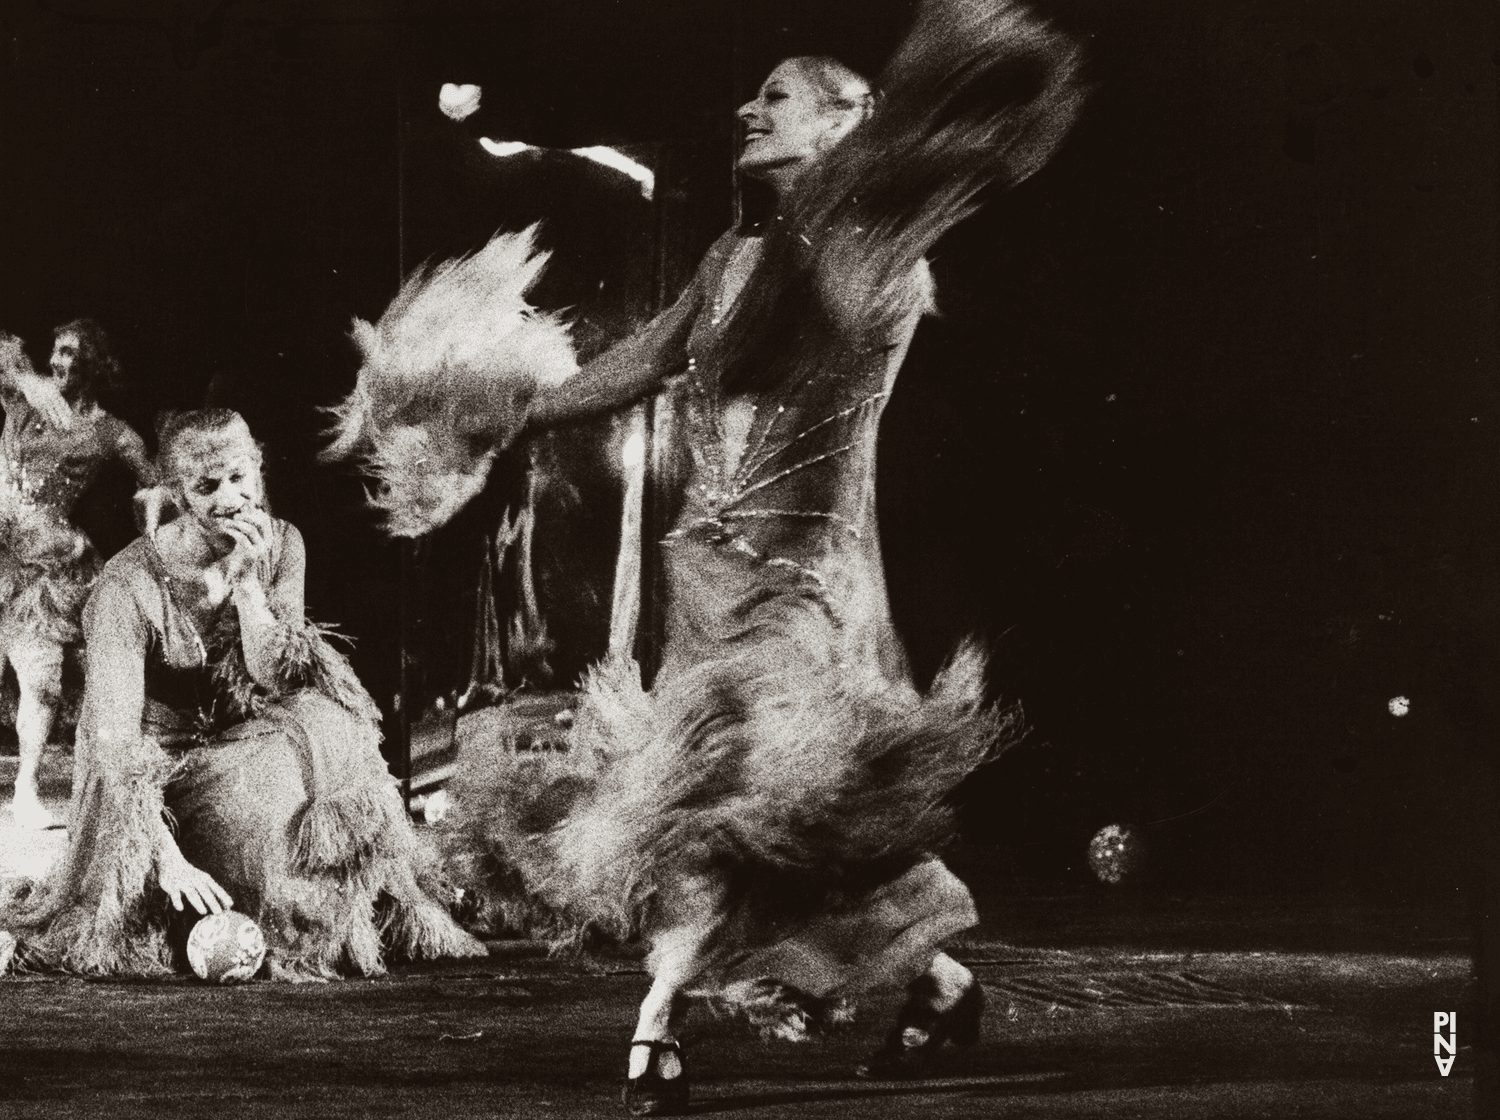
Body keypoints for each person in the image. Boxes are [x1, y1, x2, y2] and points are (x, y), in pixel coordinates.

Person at [327, 0, 1083, 1110]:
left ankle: (655, 1024)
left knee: (714, 811)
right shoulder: (733, 254)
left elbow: (830, 309)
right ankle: (939, 979)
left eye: (776, 95)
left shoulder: (882, 266)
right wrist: (494, 408)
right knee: (789, 832)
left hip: (806, 593)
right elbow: (634, 365)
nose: (747, 106)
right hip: (708, 584)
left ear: (842, 124)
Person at [0, 409, 484, 978]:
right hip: (156, 782)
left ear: (259, 468)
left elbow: (277, 677)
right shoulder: (124, 590)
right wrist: (168, 860)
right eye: (206, 486)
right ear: (178, 493)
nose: (230, 498)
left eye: (239, 477)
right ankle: (271, 906)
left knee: (330, 722)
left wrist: (248, 583)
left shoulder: (281, 544)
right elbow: (116, 750)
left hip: (240, 741)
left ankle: (355, 903)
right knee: (259, 809)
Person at [0, 321, 154, 829]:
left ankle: (26, 791)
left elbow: (154, 479)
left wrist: (150, 503)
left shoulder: (108, 431)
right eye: (55, 352)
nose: (58, 362)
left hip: (48, 568)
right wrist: (23, 378)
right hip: (4, 551)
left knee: (41, 681)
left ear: (93, 364)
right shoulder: (25, 400)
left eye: (70, 353)